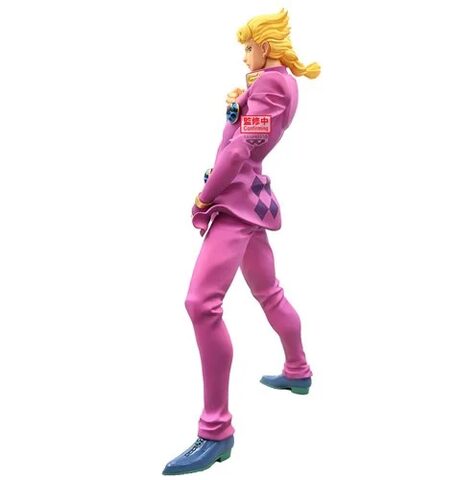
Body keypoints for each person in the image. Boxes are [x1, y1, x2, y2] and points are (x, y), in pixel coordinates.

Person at [162, 8, 321, 476]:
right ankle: (297, 370)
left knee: (201, 303)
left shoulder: (272, 85)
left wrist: (205, 195)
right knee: (268, 292)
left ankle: (216, 430)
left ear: (264, 47)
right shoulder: (272, 84)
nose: (244, 56)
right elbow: (247, 132)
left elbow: (240, 150)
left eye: (248, 48)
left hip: (235, 201)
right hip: (250, 200)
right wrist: (239, 105)